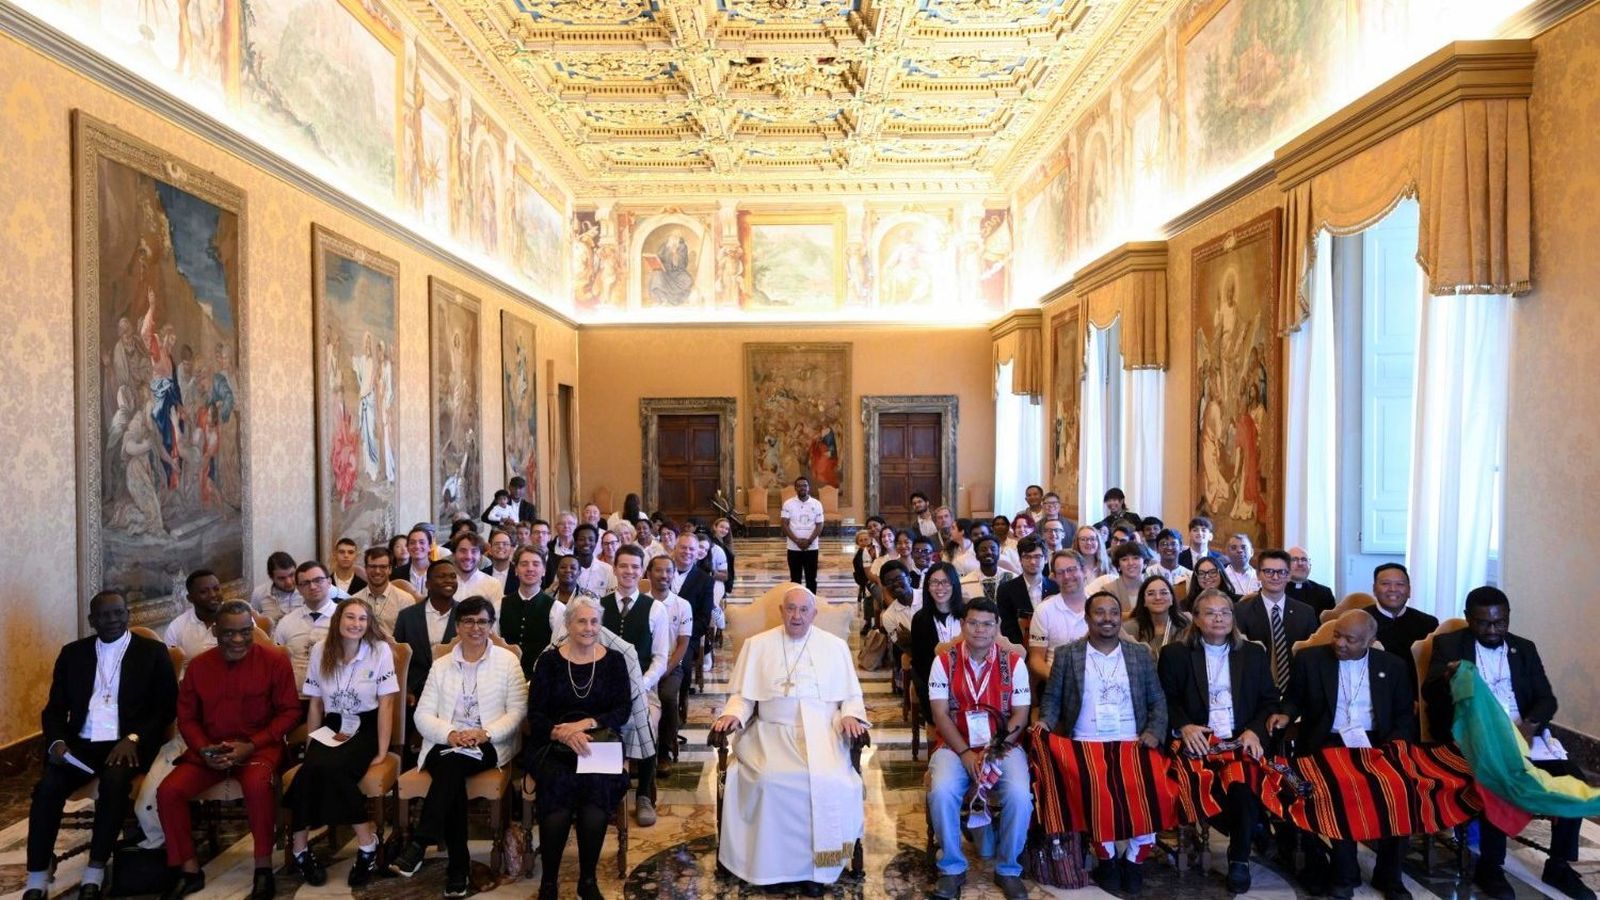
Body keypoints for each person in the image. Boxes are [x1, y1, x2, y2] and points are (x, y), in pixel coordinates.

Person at [1423, 587, 1594, 900]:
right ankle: (1491, 866)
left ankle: (1558, 865)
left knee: (1573, 781)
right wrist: (1447, 678)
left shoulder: (1523, 648)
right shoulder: (1449, 645)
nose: (1492, 630)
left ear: (1508, 618)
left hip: (1523, 735)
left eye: (1500, 622)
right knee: (1498, 781)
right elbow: (1430, 695)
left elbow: (1546, 699)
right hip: (1475, 738)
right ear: (1468, 618)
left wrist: (1528, 726)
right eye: (1483, 623)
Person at [712, 587, 869, 894]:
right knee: (768, 781)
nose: (796, 616)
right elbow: (743, 696)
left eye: (803, 610)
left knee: (829, 781)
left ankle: (818, 869)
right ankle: (771, 870)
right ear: (781, 612)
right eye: (791, 609)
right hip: (771, 732)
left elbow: (850, 696)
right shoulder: (757, 645)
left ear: (814, 614)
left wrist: (851, 715)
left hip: (823, 733)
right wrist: (733, 714)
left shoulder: (835, 647)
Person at [24, 591, 177, 900]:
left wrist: (133, 738)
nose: (113, 620)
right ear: (92, 620)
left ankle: (94, 870)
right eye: (104, 615)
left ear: (128, 615)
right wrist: (57, 742)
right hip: (81, 745)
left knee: (114, 784)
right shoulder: (73, 654)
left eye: (118, 613)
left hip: (127, 744)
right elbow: (54, 709)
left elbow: (165, 707)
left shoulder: (151, 652)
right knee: (48, 788)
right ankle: (37, 876)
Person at [157, 600, 300, 900]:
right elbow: (187, 718)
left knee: (258, 785)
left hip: (258, 748)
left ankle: (263, 869)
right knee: (169, 792)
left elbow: (289, 712)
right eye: (229, 633)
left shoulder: (275, 660)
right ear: (215, 631)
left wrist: (251, 745)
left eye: (245, 632)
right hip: (209, 751)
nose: (238, 639)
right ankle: (190, 870)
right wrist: (204, 749)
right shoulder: (198, 666)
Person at [390, 597, 526, 896]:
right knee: (451, 769)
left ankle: (423, 845)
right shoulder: (441, 666)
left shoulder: (507, 662)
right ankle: (456, 868)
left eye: (482, 621)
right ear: (458, 626)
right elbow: (423, 714)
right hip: (444, 743)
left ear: (491, 625)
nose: (475, 628)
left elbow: (517, 711)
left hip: (488, 743)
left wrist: (485, 732)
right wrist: (450, 733)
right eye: (468, 621)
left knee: (451, 767)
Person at [1275, 611, 1414, 900]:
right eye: (1337, 635)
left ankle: (1390, 875)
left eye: (1350, 640)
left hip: (1377, 742)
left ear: (1370, 641)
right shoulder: (1310, 660)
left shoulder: (1393, 666)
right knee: (1342, 787)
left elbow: (1403, 716)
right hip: (1327, 740)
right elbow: (1293, 699)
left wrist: (1393, 746)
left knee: (1401, 789)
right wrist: (1285, 715)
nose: (1339, 643)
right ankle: (1344, 872)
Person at [1036, 591, 1168, 892]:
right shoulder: (1067, 654)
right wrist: (1044, 722)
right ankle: (1107, 860)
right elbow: (1052, 699)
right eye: (1099, 612)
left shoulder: (1139, 654)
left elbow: (1158, 700)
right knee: (1098, 800)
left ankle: (1134, 861)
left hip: (1134, 741)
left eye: (1113, 612)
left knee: (1150, 797)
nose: (1107, 618)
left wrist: (1154, 731)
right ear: (1087, 618)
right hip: (1085, 743)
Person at [1157, 589, 1279, 893]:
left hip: (1239, 738)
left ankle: (1239, 860)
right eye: (1210, 613)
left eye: (1225, 612)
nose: (1219, 618)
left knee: (1243, 781)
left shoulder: (1252, 653)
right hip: (1198, 738)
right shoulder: (1175, 654)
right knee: (1204, 782)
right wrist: (1184, 726)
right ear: (1196, 620)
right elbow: (1165, 700)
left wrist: (1255, 730)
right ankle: (1254, 826)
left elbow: (1269, 701)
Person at [282, 599, 398, 888]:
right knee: (310, 768)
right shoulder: (321, 650)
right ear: (338, 620)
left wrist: (382, 749)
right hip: (333, 724)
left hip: (366, 726)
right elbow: (315, 704)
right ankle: (302, 849)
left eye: (362, 619)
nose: (356, 624)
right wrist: (311, 743)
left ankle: (363, 845)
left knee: (332, 769)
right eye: (350, 617)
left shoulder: (379, 650)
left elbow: (387, 704)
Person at [525, 598, 632, 900]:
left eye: (594, 621)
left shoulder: (614, 661)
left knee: (595, 793)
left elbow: (622, 710)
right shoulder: (549, 662)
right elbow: (535, 715)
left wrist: (585, 724)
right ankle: (549, 883)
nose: (588, 628)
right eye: (581, 621)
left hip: (599, 743)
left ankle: (587, 881)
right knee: (557, 792)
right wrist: (561, 733)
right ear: (568, 625)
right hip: (553, 745)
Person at [926, 598, 1032, 900]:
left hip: (1003, 747)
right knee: (942, 791)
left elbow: (1021, 716)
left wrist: (993, 751)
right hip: (955, 745)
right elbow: (940, 714)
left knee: (1019, 796)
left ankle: (1008, 869)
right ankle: (951, 868)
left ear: (997, 626)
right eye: (973, 623)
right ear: (963, 625)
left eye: (987, 624)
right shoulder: (943, 661)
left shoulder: (1014, 663)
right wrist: (966, 754)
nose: (980, 630)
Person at [599, 545, 671, 826]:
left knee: (647, 721)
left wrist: (641, 684)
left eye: (634, 567)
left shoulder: (656, 609)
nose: (629, 571)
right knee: (601, 726)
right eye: (623, 566)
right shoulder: (599, 606)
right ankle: (606, 792)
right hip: (604, 688)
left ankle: (643, 795)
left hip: (643, 687)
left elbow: (660, 658)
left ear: (642, 572)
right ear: (615, 569)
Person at [1234, 549, 1317, 694]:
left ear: (1289, 575)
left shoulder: (1306, 613)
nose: (1275, 577)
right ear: (1258, 575)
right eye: (1268, 572)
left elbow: (1312, 657)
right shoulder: (1240, 611)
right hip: (1254, 689)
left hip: (1297, 691)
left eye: (1282, 572)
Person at [646, 555, 693, 776]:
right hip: (645, 664)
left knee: (666, 697)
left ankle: (663, 752)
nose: (663, 575)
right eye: (658, 570)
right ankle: (637, 752)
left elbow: (683, 643)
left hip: (671, 666)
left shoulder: (682, 605)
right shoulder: (642, 603)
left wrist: (666, 669)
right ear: (649, 573)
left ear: (673, 574)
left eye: (668, 571)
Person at [393, 563, 460, 702]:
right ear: (428, 584)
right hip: (414, 695)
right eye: (442, 576)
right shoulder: (407, 616)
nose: (449, 580)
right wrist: (405, 689)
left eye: (453, 576)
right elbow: (397, 657)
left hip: (455, 693)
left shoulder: (466, 615)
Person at [1368, 563, 1438, 696]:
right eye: (1385, 584)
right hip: (1373, 695)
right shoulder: (1360, 621)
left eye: (1400, 584)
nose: (1393, 589)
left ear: (1409, 590)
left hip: (1415, 696)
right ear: (1374, 589)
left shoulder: (1428, 623)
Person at [911, 562, 966, 721]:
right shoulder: (920, 619)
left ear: (954, 584)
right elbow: (921, 663)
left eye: (945, 582)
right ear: (927, 587)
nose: (940, 587)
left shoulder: (967, 614)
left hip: (969, 682)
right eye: (934, 582)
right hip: (935, 684)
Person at [273, 560, 342, 688]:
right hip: (296, 694)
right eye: (305, 583)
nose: (313, 587)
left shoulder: (345, 618)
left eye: (318, 580)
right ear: (298, 589)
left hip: (335, 693)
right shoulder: (287, 622)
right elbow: (276, 661)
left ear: (329, 582)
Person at [500, 547, 565, 676]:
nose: (530, 569)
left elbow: (558, 650)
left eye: (536, 564)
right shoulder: (499, 605)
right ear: (516, 570)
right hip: (504, 675)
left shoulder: (557, 609)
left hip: (541, 677)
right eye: (524, 564)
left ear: (544, 570)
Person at [1027, 550, 1089, 683]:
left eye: (1071, 570)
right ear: (1054, 577)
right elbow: (1036, 660)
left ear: (1084, 570)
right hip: (1057, 682)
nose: (1066, 576)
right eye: (1060, 572)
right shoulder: (1044, 610)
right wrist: (1059, 681)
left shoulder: (1098, 608)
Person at [670, 532, 715, 681]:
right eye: (683, 547)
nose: (687, 552)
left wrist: (680, 634)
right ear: (675, 548)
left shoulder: (705, 580)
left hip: (687, 636)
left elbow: (704, 619)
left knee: (682, 667)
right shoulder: (661, 571)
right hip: (657, 632)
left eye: (691, 549)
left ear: (697, 553)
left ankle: (682, 694)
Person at [995, 536, 1054, 646]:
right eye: (1027, 557)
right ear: (1020, 560)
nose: (1032, 562)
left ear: (1046, 559)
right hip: (1020, 649)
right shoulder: (1006, 589)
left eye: (1037, 556)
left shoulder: (1056, 588)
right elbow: (1007, 627)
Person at [348, 544, 411, 634]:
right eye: (373, 566)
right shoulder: (354, 600)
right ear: (366, 569)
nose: (377, 571)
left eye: (383, 567)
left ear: (390, 569)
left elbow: (411, 637)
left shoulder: (405, 600)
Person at [1124, 575, 1189, 658]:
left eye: (1163, 593)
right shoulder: (1129, 629)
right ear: (1144, 601)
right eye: (1151, 594)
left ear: (1172, 599)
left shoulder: (1186, 624)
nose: (1158, 597)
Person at [166, 569, 225, 661]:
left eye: (216, 589)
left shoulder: (237, 618)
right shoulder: (176, 628)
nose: (213, 595)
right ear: (190, 598)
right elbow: (171, 665)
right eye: (204, 592)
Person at [781, 475, 826, 593]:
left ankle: (812, 601)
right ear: (795, 488)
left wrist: (809, 541)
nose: (802, 488)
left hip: (812, 547)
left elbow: (820, 524)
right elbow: (784, 524)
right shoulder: (788, 504)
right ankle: (796, 601)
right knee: (795, 579)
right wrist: (796, 541)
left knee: (811, 579)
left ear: (808, 487)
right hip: (793, 548)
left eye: (805, 485)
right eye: (799, 486)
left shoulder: (817, 504)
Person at [1086, 541, 1147, 608]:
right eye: (1124, 559)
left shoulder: (1151, 587)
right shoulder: (1108, 590)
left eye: (1136, 558)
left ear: (1144, 562)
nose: (1130, 563)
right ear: (1118, 565)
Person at [449, 533, 501, 608]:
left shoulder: (493, 585)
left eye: (474, 551)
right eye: (463, 551)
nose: (468, 556)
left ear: (480, 556)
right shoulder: (444, 583)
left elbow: (497, 614)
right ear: (454, 555)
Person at [878, 560, 919, 652]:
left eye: (899, 578)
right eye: (889, 582)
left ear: (909, 579)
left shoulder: (927, 598)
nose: (895, 584)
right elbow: (905, 648)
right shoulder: (888, 616)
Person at [250, 551, 299, 623]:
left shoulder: (307, 589)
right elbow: (253, 623)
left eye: (292, 575)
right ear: (271, 577)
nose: (289, 582)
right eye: (282, 578)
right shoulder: (259, 593)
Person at [1285, 546, 1335, 615]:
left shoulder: (1324, 593)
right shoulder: (1276, 591)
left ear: (1310, 565)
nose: (1300, 563)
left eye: (1304, 560)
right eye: (1294, 559)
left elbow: (1331, 621)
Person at [571, 524, 617, 597]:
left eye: (591, 539)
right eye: (582, 539)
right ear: (575, 543)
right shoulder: (567, 569)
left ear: (595, 543)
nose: (587, 542)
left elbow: (612, 598)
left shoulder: (608, 570)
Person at [392, 527, 434, 595]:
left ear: (430, 547)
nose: (417, 546)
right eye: (412, 543)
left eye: (422, 542)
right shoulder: (396, 574)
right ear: (408, 547)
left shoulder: (440, 570)